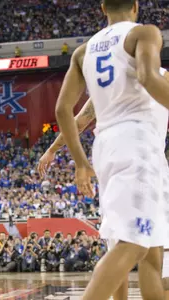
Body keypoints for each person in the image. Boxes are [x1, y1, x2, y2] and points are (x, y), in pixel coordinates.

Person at [54, 0, 169, 299]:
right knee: (135, 244)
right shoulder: (144, 33)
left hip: (105, 145)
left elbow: (63, 110)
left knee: (152, 252)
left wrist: (80, 162)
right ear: (136, 5)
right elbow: (148, 77)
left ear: (103, 7)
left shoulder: (83, 51)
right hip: (139, 142)